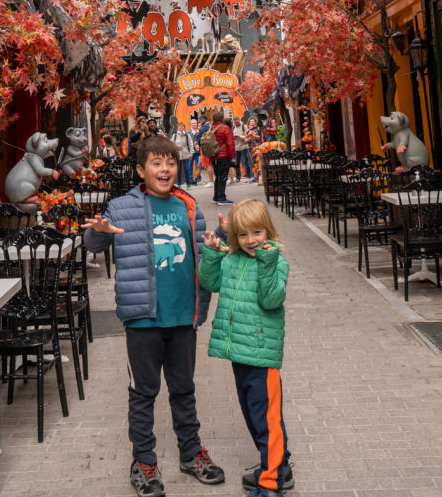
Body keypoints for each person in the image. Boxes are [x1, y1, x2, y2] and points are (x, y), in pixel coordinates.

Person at [83, 135, 225, 497]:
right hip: (143, 319)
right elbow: (95, 244)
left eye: (171, 163)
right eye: (157, 163)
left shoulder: (190, 205)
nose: (165, 169)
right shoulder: (120, 207)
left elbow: (202, 257)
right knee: (143, 393)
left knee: (184, 390)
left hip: (182, 317)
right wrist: (96, 234)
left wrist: (219, 244)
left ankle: (191, 453)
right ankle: (143, 461)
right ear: (140, 169)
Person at [198, 200, 292, 497]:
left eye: (257, 232)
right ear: (234, 236)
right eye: (243, 235)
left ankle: (270, 483)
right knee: (255, 417)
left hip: (262, 355)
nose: (251, 240)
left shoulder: (277, 262)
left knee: (267, 421)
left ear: (269, 231)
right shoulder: (231, 260)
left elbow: (271, 300)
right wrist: (212, 253)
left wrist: (266, 262)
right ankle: (278, 468)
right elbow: (209, 282)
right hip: (238, 353)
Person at [211, 109, 235, 206]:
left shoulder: (211, 128)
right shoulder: (225, 128)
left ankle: (216, 197)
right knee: (223, 176)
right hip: (223, 156)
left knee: (217, 177)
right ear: (222, 119)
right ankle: (221, 198)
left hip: (213, 156)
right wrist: (232, 156)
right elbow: (230, 144)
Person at [172, 120, 194, 187]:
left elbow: (191, 145)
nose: (181, 127)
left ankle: (188, 184)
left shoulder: (187, 135)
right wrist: (176, 147)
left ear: (184, 127)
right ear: (177, 127)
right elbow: (171, 145)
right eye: (179, 126)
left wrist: (191, 154)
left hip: (186, 155)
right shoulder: (174, 136)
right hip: (178, 155)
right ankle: (179, 184)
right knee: (179, 171)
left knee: (186, 170)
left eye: (182, 126)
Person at [196, 115, 214, 186]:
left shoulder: (204, 127)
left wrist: (198, 142)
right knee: (212, 164)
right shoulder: (210, 125)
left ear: (203, 119)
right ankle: (214, 180)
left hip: (205, 148)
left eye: (200, 119)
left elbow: (200, 139)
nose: (199, 121)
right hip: (212, 147)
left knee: (208, 165)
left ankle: (211, 181)